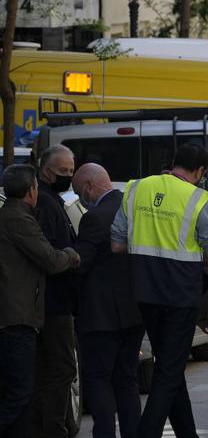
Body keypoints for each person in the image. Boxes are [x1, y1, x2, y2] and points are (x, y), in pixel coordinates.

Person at [111, 141, 208, 438]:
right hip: (180, 295)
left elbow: (117, 244)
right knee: (169, 370)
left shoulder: (136, 188)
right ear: (200, 171)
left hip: (145, 292)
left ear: (174, 162)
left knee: (169, 367)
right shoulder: (198, 198)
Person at [0, 164, 79, 438]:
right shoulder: (18, 219)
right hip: (16, 317)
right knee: (20, 391)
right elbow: (50, 259)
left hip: (17, 314)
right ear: (31, 191)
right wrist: (71, 254)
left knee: (21, 388)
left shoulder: (12, 215)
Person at [72, 163, 143, 438]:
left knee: (98, 378)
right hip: (134, 311)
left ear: (89, 187)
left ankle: (104, 433)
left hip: (101, 315)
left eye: (79, 192)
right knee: (127, 379)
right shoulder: (135, 209)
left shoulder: (94, 217)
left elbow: (81, 264)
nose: (80, 198)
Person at [31, 144, 79, 438]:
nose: (68, 176)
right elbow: (50, 254)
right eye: (63, 171)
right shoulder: (47, 203)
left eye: (72, 171)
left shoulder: (54, 200)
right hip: (54, 302)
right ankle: (53, 428)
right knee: (62, 368)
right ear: (46, 171)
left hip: (54, 300)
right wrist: (71, 257)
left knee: (53, 367)